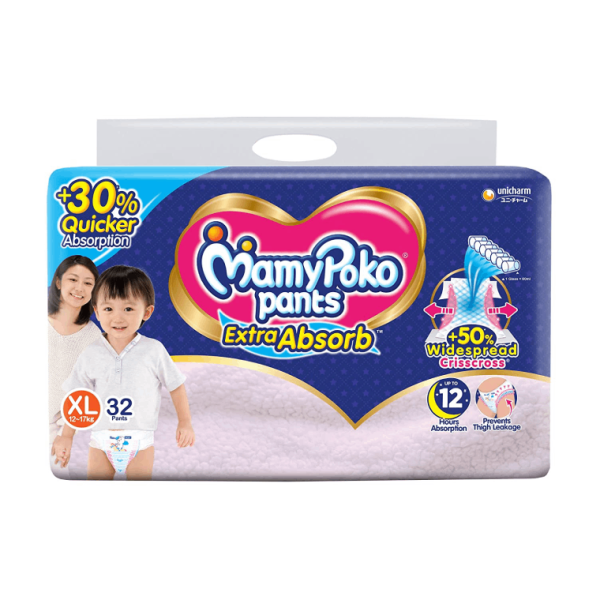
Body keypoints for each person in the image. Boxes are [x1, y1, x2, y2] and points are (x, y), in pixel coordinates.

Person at [63, 265, 195, 480]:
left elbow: (176, 385)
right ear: (96, 311)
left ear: (147, 312)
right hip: (101, 440)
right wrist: (66, 436)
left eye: (128, 309)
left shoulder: (153, 350)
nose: (118, 318)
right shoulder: (90, 353)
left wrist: (185, 423)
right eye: (108, 309)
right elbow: (77, 398)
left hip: (140, 442)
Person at [48, 255, 102, 478]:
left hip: (55, 431)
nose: (80, 288)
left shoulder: (94, 337)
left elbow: (86, 392)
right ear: (58, 282)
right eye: (73, 279)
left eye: (88, 283)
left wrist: (66, 434)